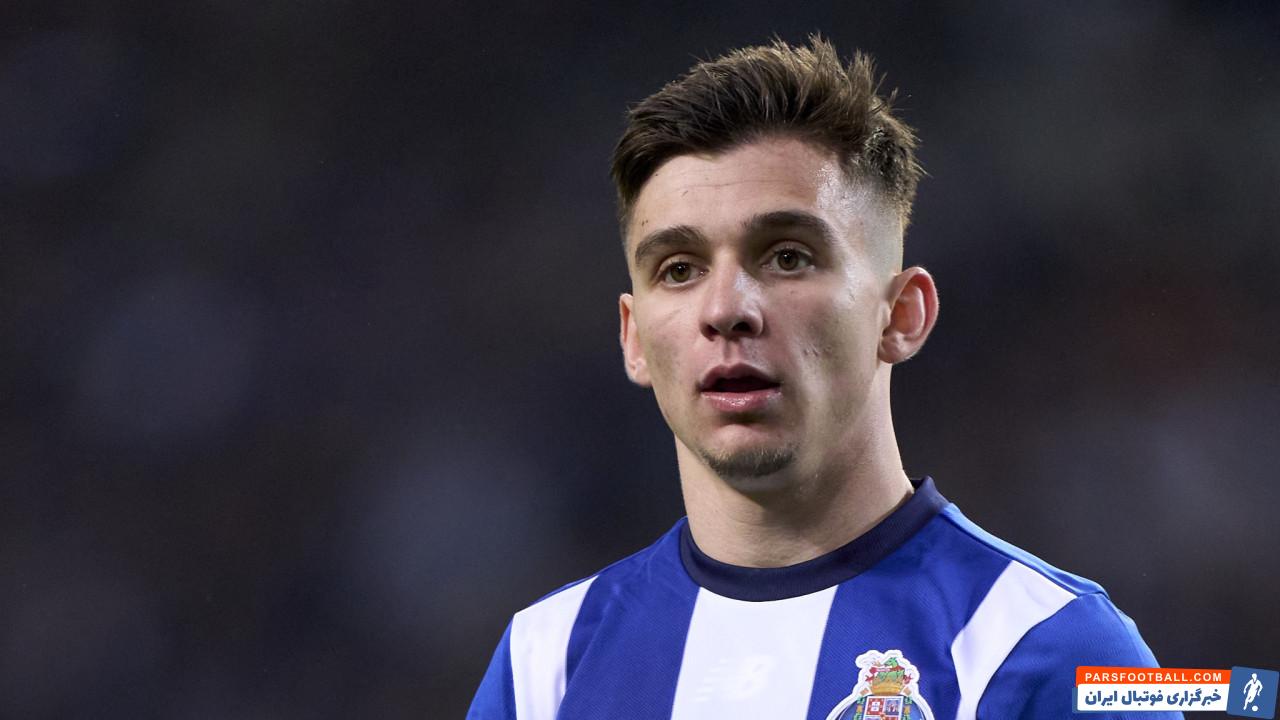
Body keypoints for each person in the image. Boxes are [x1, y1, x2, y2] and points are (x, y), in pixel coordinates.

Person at [468, 36, 1177, 720]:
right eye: (678, 270)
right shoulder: (545, 663)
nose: (725, 310)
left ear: (901, 315)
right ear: (634, 339)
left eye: (787, 257)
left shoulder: (1055, 651)